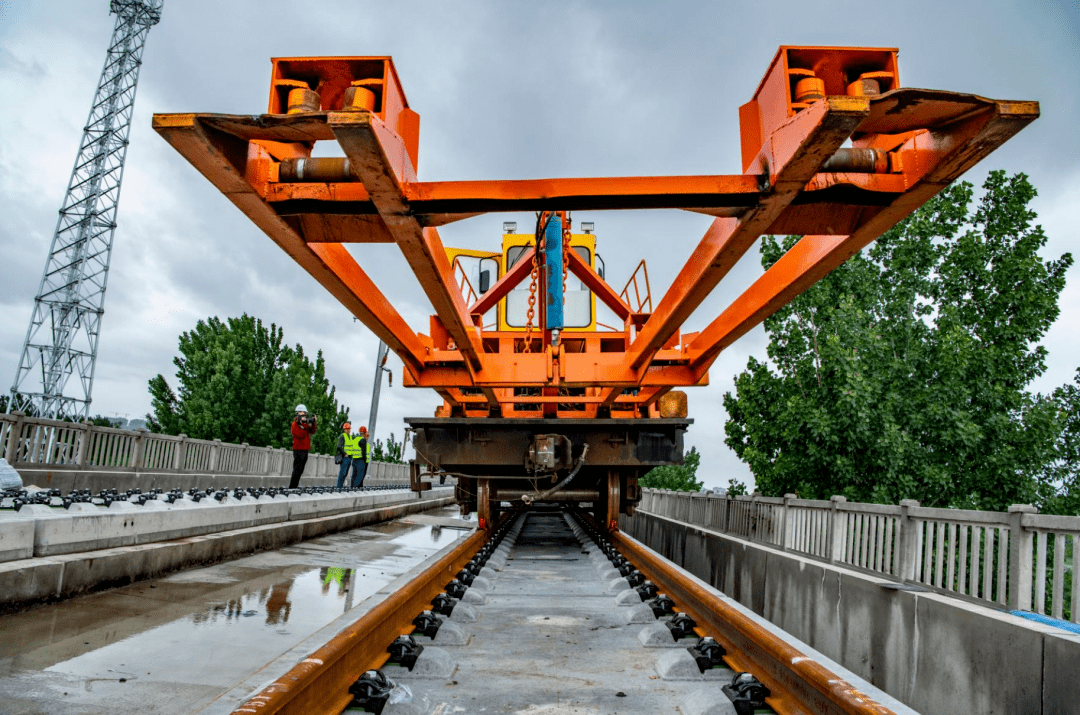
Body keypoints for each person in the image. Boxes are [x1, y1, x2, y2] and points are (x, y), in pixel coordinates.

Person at [289, 404, 317, 488]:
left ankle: (295, 486)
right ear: (297, 413)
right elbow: (300, 435)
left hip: (305, 449)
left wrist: (313, 422)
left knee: (301, 470)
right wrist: (303, 425)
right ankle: (292, 487)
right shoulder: (295, 424)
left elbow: (313, 431)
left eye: (304, 412)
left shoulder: (306, 424)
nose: (302, 414)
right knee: (297, 469)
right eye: (300, 412)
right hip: (298, 449)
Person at [335, 421, 354, 488]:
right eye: (347, 429)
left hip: (349, 457)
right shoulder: (342, 436)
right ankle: (339, 487)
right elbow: (339, 446)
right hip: (344, 457)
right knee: (342, 473)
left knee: (345, 473)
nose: (349, 430)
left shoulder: (350, 437)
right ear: (344, 429)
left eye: (349, 429)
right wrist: (344, 454)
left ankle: (341, 486)